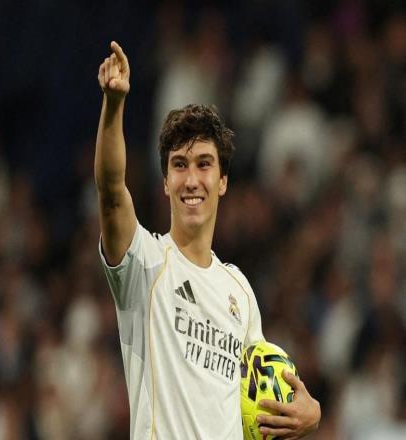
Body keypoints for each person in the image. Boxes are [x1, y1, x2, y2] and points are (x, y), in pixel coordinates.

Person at [95, 41, 321, 439]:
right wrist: (114, 105)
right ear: (165, 182)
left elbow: (265, 388)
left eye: (204, 164)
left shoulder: (239, 291)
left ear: (223, 181)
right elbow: (112, 192)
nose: (192, 180)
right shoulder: (144, 262)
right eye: (179, 166)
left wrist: (311, 412)